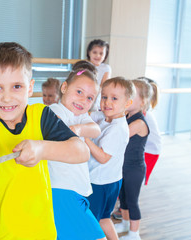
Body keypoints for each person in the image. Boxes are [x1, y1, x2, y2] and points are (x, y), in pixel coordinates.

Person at [0, 42, 89, 240]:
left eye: (17, 87)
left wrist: (41, 148)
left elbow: (81, 151)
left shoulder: (41, 116)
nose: (6, 97)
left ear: (30, 88)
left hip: (39, 231)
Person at [48, 67, 106, 240]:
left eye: (89, 98)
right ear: (64, 88)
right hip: (61, 188)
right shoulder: (54, 111)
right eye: (79, 92)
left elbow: (95, 130)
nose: (83, 100)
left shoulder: (79, 117)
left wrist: (78, 129)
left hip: (74, 189)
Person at [85, 77, 135, 240]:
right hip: (111, 180)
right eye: (104, 97)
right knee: (104, 218)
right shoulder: (104, 117)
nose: (107, 102)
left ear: (127, 103)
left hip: (101, 182)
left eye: (114, 98)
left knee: (91, 221)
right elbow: (89, 114)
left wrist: (84, 138)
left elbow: (103, 157)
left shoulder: (116, 128)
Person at [115, 79, 153, 240]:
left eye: (132, 95)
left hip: (134, 169)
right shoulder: (128, 116)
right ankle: (124, 223)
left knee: (132, 200)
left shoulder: (138, 122)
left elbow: (119, 136)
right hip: (124, 166)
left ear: (142, 101)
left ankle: (134, 233)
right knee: (122, 197)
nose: (127, 98)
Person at [137, 77, 161, 185]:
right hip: (149, 148)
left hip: (149, 151)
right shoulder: (144, 110)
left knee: (136, 180)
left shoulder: (144, 112)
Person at [86, 39, 112, 111]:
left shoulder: (106, 68)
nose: (97, 55)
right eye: (94, 52)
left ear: (105, 55)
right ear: (89, 52)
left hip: (97, 98)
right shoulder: (84, 65)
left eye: (101, 53)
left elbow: (103, 85)